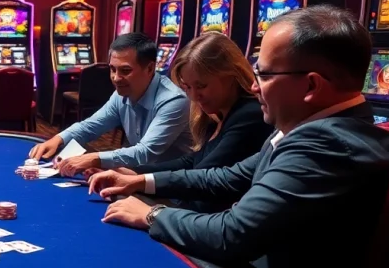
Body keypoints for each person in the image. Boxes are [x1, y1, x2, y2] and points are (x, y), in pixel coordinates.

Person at [93, 5, 389, 268]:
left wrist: (152, 215)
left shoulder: (326, 144)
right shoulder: (309, 128)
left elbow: (232, 235)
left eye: (264, 75)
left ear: (311, 85)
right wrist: (139, 180)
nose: (253, 86)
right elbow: (227, 176)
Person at [89, 32, 272, 212]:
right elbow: (192, 161)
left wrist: (141, 185)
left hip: (210, 223)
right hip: (193, 210)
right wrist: (133, 173)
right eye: (187, 87)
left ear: (231, 76)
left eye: (201, 86)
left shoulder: (250, 115)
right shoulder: (217, 113)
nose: (193, 96)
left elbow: (203, 178)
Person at [28, 32, 192, 176]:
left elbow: (145, 152)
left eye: (125, 71)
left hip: (173, 192)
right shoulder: (122, 94)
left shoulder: (173, 101)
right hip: (137, 176)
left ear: (149, 68)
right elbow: (90, 126)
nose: (116, 78)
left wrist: (94, 159)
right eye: (113, 69)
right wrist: (58, 139)